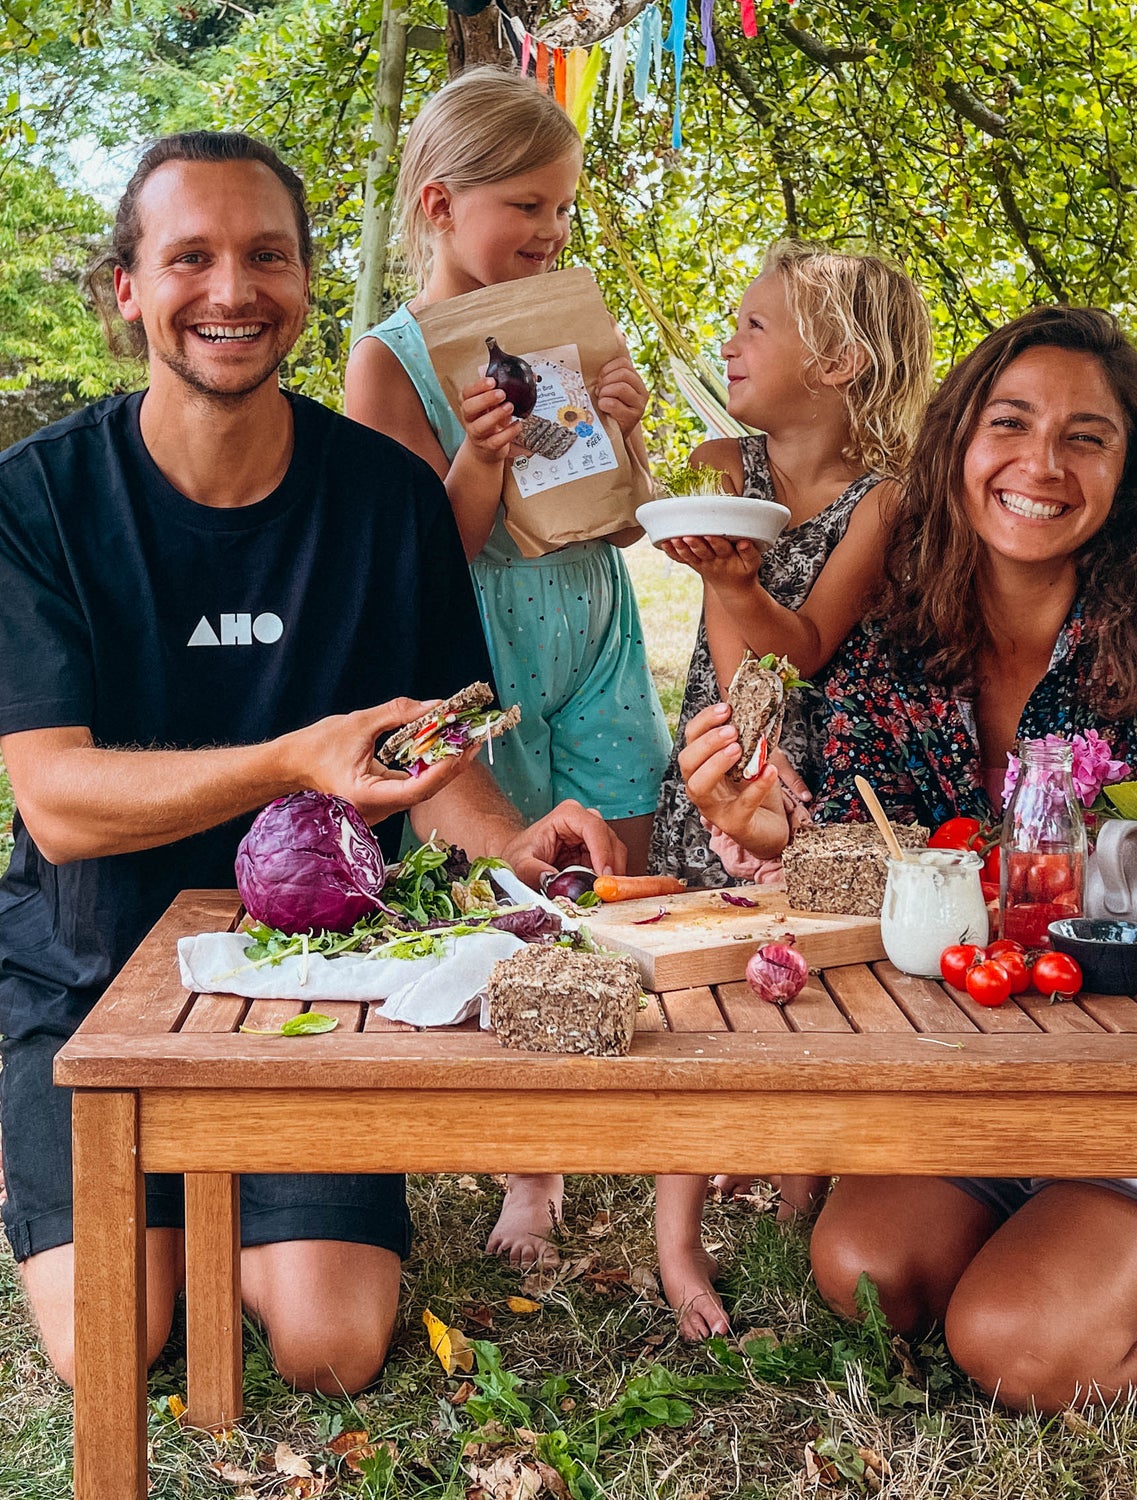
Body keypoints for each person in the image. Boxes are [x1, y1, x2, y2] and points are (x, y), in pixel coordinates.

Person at [0, 131, 624, 1397]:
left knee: (329, 1350)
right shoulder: (39, 499)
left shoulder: (389, 499)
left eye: (266, 256)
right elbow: (57, 804)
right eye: (191, 258)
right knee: (112, 1350)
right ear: (130, 288)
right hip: (86, 971)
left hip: (321, 991)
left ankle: (239, 1205)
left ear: (303, 281)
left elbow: (436, 762)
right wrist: (293, 759)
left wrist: (511, 849)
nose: (232, 290)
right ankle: (144, 1196)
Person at [676, 306, 1137, 1406]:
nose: (1040, 463)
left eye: (1086, 437)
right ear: (958, 443)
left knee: (1014, 1349)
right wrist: (777, 840)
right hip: (995, 1081)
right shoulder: (897, 635)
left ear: (1131, 470)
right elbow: (876, 858)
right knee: (864, 1271)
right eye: (1011, 423)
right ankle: (1050, 1242)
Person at [345, 66, 670, 1266]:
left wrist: (622, 440)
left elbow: (620, 524)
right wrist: (481, 450)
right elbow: (429, 558)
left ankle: (615, 1123)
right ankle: (526, 1168)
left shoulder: (562, 326)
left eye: (565, 212)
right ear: (438, 204)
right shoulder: (389, 364)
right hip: (473, 649)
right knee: (512, 894)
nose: (550, 234)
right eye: (525, 207)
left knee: (614, 881)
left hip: (591, 627)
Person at [648, 242, 932, 1340]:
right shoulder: (729, 462)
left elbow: (802, 650)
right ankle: (676, 1236)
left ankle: (804, 1182)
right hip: (726, 751)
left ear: (841, 361)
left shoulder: (884, 502)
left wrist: (733, 576)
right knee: (696, 992)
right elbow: (741, 677)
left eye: (755, 325)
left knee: (805, 979)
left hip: (827, 766)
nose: (729, 341)